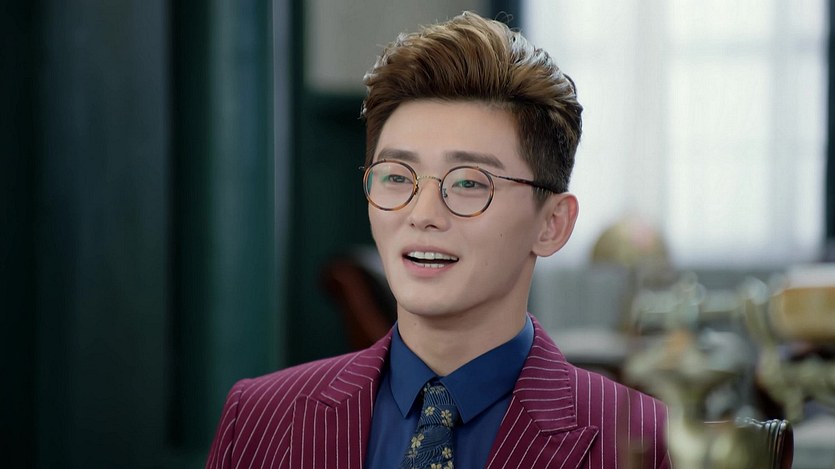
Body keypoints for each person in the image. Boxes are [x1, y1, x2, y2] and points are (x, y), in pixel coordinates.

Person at [205, 11, 670, 469]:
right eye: (396, 177)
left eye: (468, 182)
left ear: (552, 224)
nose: (422, 214)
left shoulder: (645, 442)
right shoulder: (259, 419)